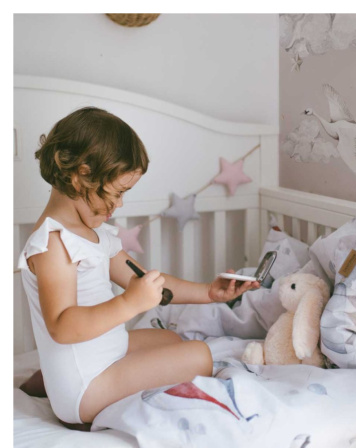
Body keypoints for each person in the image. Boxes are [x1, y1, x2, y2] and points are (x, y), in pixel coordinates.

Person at [17, 107, 259, 426]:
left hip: (104, 353)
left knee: (171, 341)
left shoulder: (92, 234)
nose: (119, 204)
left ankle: (47, 380)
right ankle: (64, 392)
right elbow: (62, 327)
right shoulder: (54, 243)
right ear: (81, 175)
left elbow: (147, 280)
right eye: (117, 192)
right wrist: (128, 303)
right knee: (199, 355)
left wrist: (209, 293)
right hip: (86, 387)